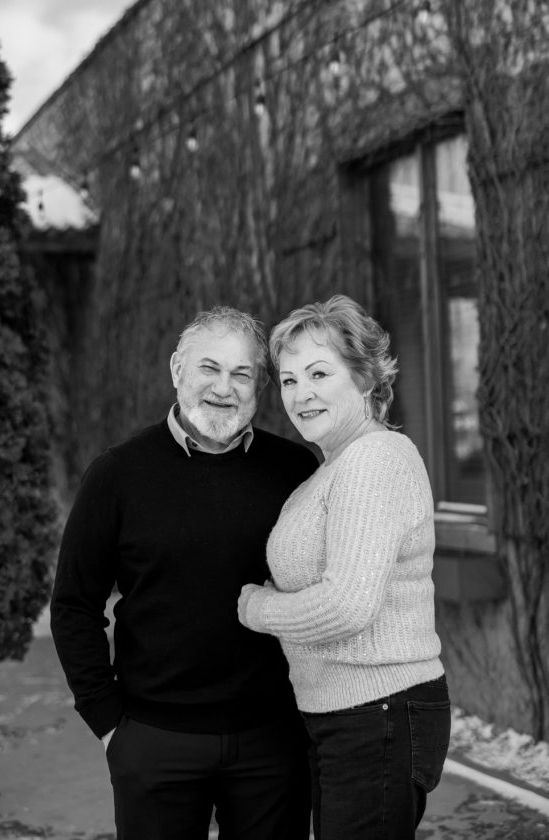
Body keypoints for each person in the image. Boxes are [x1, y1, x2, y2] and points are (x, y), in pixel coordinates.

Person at [50, 306, 318, 840]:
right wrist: (109, 725)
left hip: (272, 740)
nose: (224, 387)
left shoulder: (295, 471)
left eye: (242, 374)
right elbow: (74, 605)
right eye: (208, 368)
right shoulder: (118, 474)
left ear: (259, 386)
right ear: (177, 370)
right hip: (154, 739)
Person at [237, 295, 450, 840]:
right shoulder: (331, 470)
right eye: (287, 380)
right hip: (346, 714)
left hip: (376, 713)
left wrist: (258, 608)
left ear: (364, 377)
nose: (301, 393)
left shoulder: (374, 459)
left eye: (318, 373)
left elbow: (347, 605)